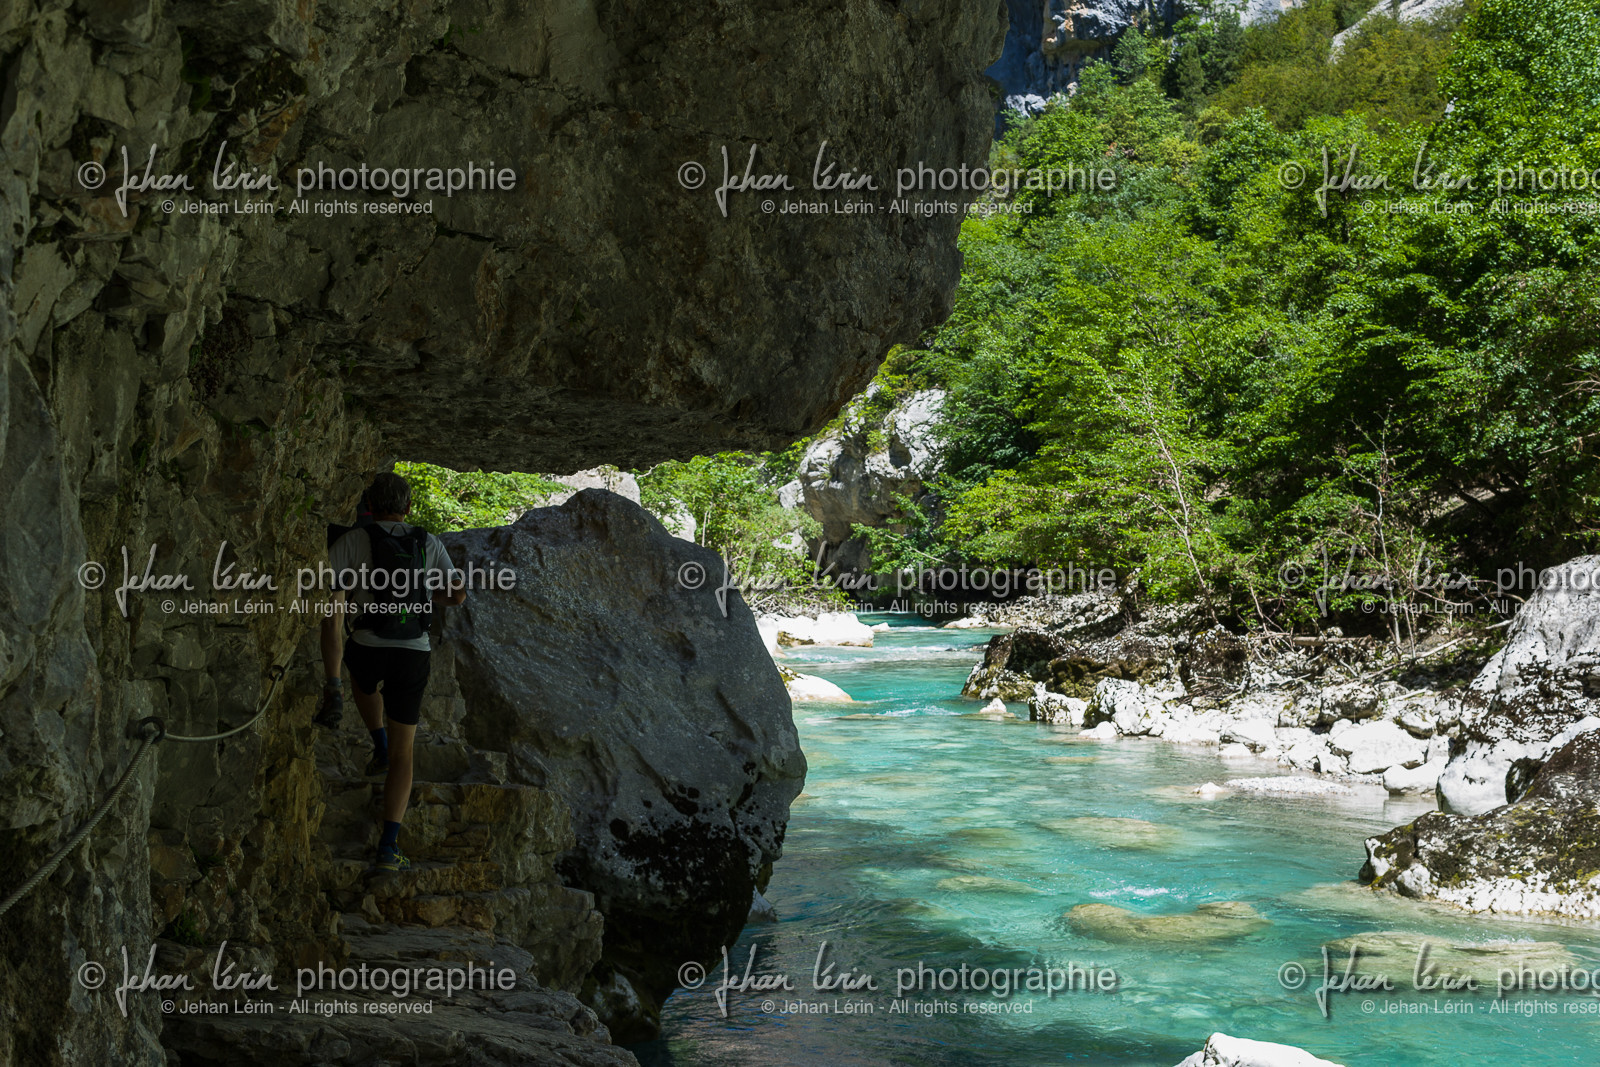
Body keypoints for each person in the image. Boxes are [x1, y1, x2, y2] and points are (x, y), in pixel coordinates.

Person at [326, 472, 467, 872]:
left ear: (369, 505)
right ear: (408, 507)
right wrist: (425, 598)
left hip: (368, 643)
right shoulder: (428, 542)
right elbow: (457, 594)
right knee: (409, 753)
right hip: (412, 650)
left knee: (360, 674)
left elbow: (327, 590)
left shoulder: (354, 539)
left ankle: (379, 743)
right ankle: (389, 845)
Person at [314, 487, 374, 728]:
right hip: (366, 533)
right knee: (340, 619)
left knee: (333, 622)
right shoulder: (375, 487)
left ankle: (334, 689)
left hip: (338, 531)